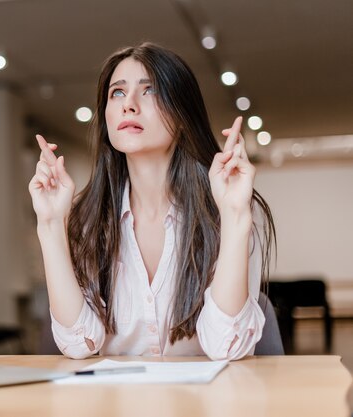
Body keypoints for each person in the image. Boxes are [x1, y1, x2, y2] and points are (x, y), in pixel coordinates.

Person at [28, 42, 275, 360]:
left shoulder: (228, 207)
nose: (128, 104)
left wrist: (235, 215)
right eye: (117, 92)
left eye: (150, 91)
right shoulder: (85, 217)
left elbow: (226, 345)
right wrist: (50, 224)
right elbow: (79, 345)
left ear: (183, 114)